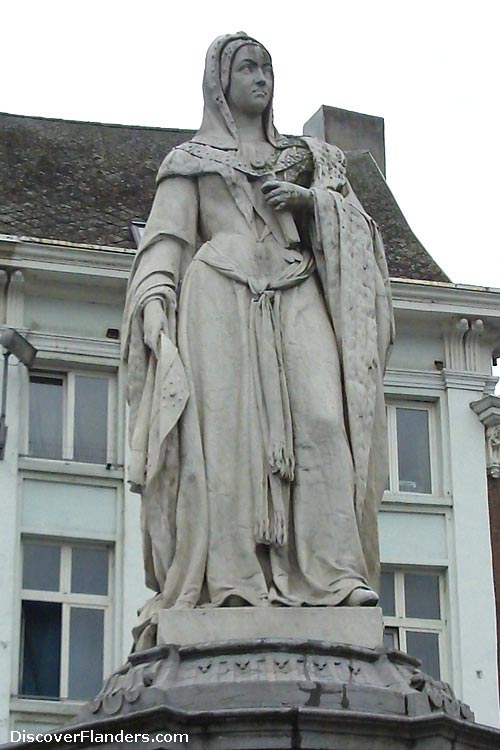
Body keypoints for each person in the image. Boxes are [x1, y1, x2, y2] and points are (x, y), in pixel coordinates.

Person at [122, 32, 394, 646]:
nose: (261, 77)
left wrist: (309, 202)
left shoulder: (307, 160)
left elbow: (358, 233)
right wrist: (155, 302)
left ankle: (334, 576)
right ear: (221, 81)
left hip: (295, 288)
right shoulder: (191, 159)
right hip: (218, 298)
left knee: (324, 421)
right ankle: (232, 580)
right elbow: (165, 239)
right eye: (248, 67)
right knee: (227, 441)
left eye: (267, 68)